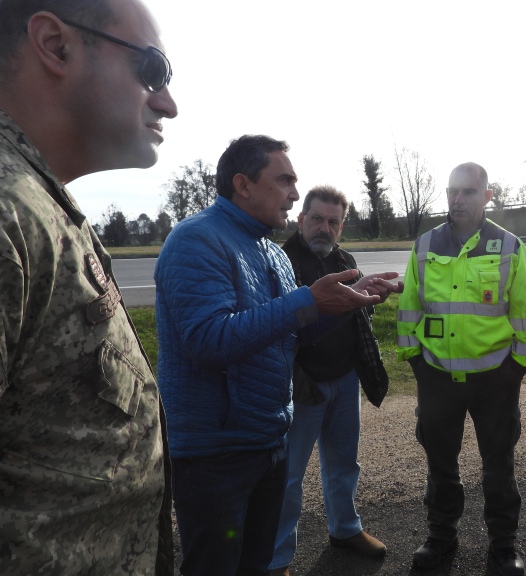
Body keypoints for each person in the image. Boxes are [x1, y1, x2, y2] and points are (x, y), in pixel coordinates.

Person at [154, 135, 400, 576]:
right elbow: (208, 341)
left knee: (256, 565)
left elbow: (292, 334)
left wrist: (348, 301)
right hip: (217, 453)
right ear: (243, 184)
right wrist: (308, 300)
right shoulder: (197, 239)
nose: (293, 193)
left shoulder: (269, 251)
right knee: (216, 566)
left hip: (267, 439)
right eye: (284, 180)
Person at [0, 1, 178, 574]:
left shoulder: (39, 204)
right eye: (153, 70)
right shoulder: (9, 215)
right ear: (56, 45)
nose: (168, 103)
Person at [396, 162, 526, 576]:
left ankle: (504, 545)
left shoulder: (509, 246)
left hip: (495, 381)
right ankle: (440, 537)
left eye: (468, 192)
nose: (457, 199)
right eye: (452, 191)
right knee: (440, 465)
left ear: (487, 197)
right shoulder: (425, 244)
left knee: (499, 467)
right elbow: (409, 307)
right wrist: (416, 362)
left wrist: (516, 370)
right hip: (437, 377)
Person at [269, 185, 402, 576]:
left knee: (344, 464)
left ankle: (345, 529)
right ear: (300, 220)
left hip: (345, 380)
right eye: (316, 219)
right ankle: (277, 559)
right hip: (301, 386)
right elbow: (281, 328)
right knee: (289, 476)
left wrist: (371, 297)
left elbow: (356, 318)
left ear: (341, 227)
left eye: (333, 221)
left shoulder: (346, 260)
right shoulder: (280, 261)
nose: (324, 228)